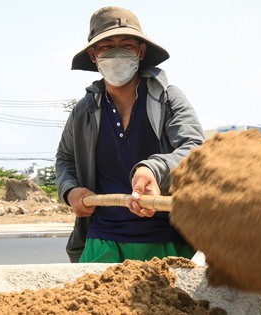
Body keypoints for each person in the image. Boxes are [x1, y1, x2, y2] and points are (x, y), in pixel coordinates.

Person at [55, 6, 206, 263]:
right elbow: (65, 159)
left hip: (167, 241)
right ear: (93, 55)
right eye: (106, 47)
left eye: (126, 44)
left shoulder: (167, 99)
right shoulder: (84, 111)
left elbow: (195, 150)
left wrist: (153, 169)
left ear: (141, 51)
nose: (117, 52)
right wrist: (70, 191)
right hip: (102, 241)